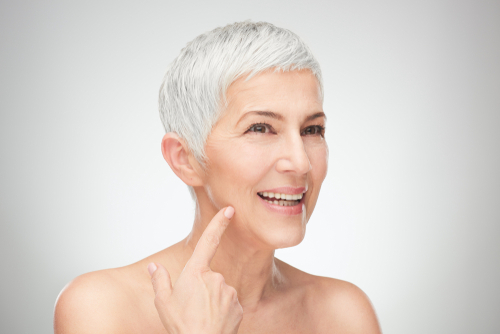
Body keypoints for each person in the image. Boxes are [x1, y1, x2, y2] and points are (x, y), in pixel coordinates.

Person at [54, 21, 382, 333]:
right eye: (260, 128)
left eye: (312, 130)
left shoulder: (344, 314)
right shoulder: (101, 308)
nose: (300, 162)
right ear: (186, 159)